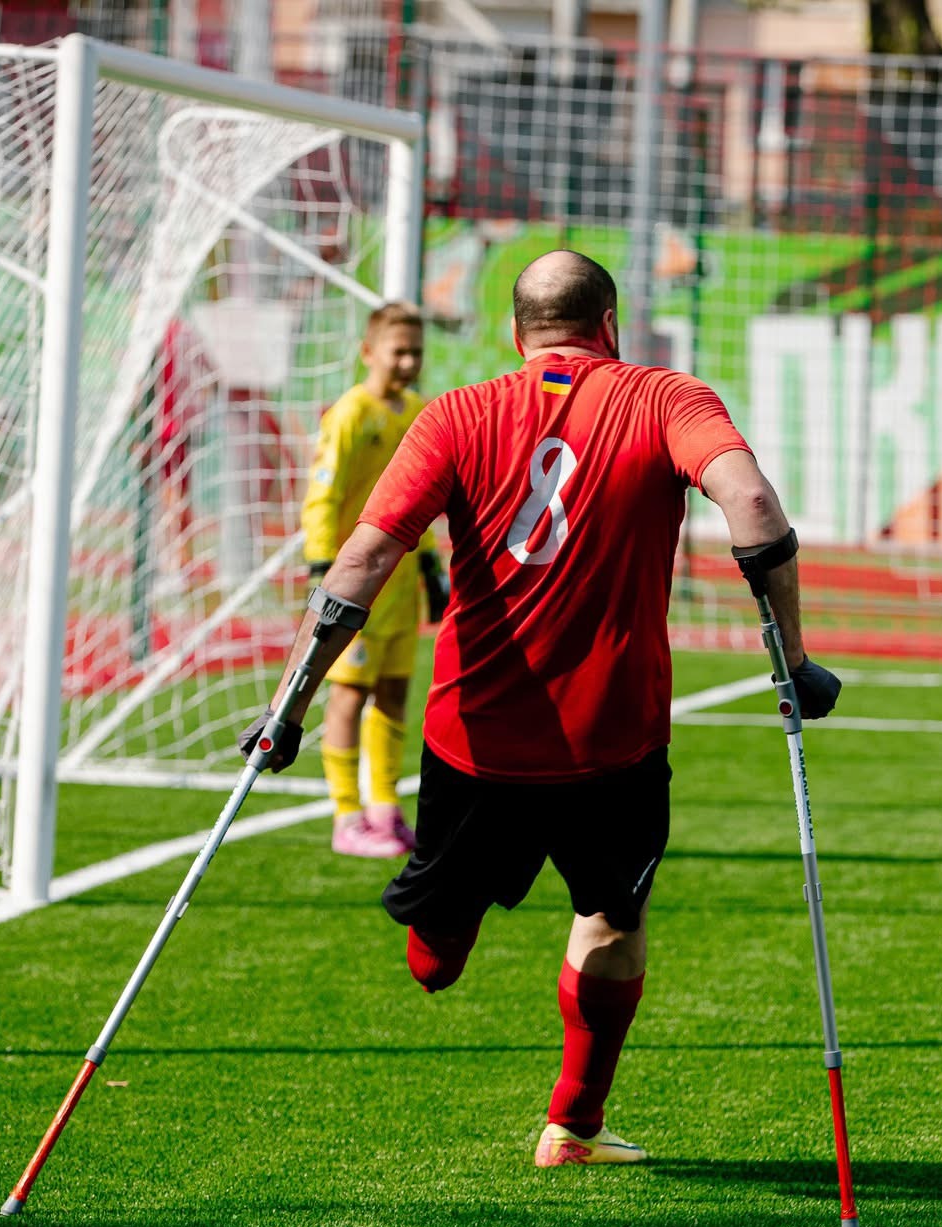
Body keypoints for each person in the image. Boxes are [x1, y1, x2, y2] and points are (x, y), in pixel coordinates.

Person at [243, 250, 841, 1167]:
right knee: (612, 919)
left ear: (516, 335)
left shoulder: (456, 412)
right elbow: (752, 504)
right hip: (616, 743)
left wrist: (287, 707)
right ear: (611, 325)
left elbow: (361, 562)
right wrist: (793, 660)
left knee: (435, 959)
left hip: (472, 739)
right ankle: (573, 1124)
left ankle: (456, 927)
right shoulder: (669, 398)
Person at [299, 301, 448, 858]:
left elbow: (422, 500)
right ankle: (346, 813)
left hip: (401, 584)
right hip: (355, 584)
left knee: (393, 694)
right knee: (348, 695)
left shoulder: (419, 411)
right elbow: (323, 494)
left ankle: (385, 809)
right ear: (368, 352)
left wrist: (431, 563)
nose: (409, 362)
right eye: (398, 351)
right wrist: (322, 566)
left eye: (416, 353)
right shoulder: (349, 415)